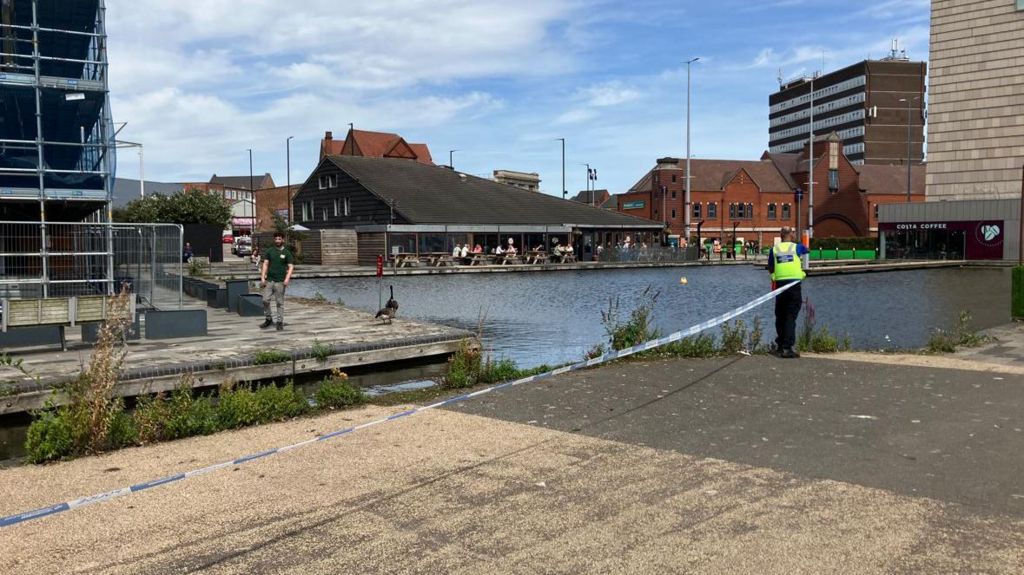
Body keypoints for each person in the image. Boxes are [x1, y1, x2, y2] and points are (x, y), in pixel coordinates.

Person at [768, 227, 808, 358]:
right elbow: (807, 249)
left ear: (780, 235)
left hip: (779, 287)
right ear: (791, 234)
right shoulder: (797, 247)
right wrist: (804, 238)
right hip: (793, 287)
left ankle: (780, 346)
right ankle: (787, 347)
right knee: (790, 316)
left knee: (780, 316)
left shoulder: (774, 250)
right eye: (793, 233)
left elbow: (771, 268)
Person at [259, 231, 294, 331]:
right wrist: (262, 278)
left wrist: (287, 278)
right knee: (265, 300)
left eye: (279, 239)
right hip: (269, 280)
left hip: (280, 281)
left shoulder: (286, 253)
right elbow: (265, 264)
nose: (277, 241)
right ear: (274, 240)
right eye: (276, 239)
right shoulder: (270, 251)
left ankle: (279, 322)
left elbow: (291, 266)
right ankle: (268, 319)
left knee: (279, 302)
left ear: (283, 240)